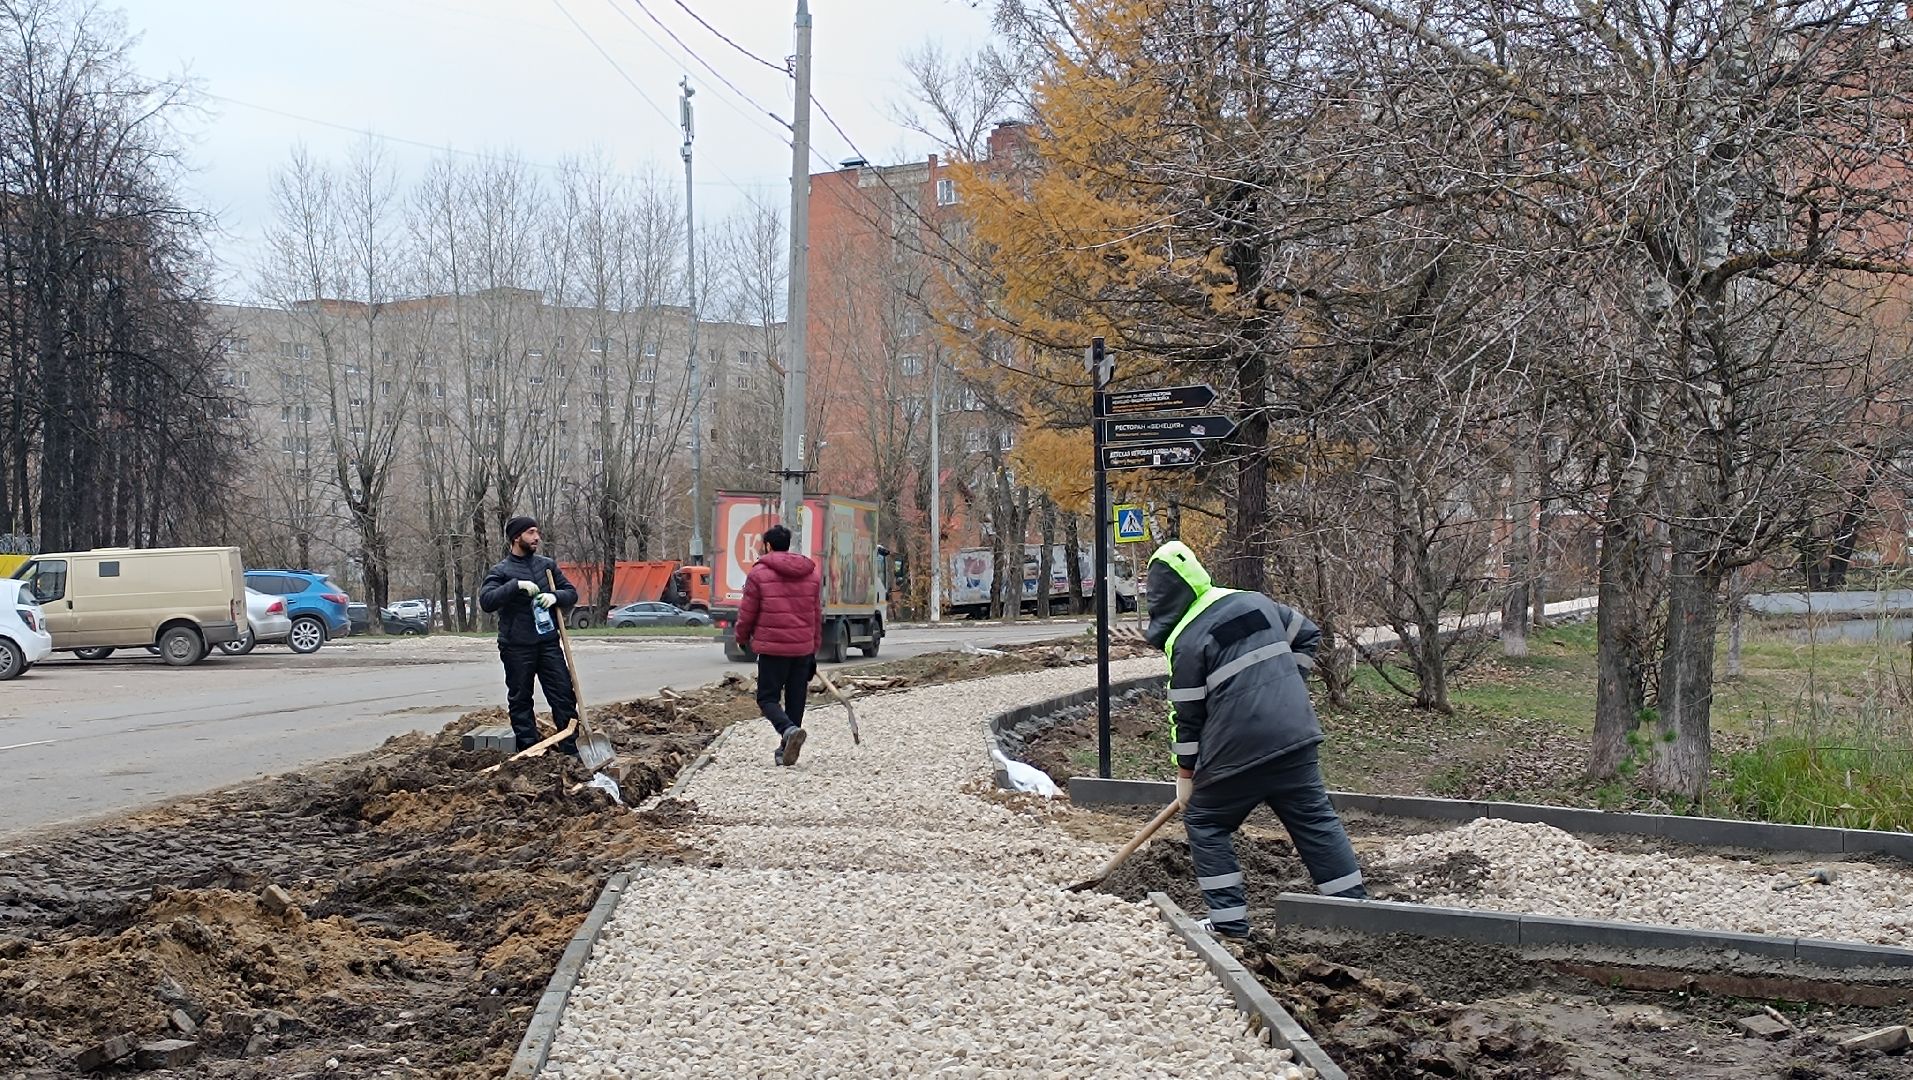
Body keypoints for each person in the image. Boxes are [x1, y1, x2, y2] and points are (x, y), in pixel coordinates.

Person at [1141, 540, 1366, 939]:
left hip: (1236, 752)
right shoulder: (1255, 602)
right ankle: (1354, 912)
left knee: (1206, 822)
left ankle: (1229, 924)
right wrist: (1286, 684)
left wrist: (1186, 774)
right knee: (1314, 820)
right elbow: (1308, 634)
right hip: (1294, 737)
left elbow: (1187, 717)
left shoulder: (1187, 641)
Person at [479, 515, 580, 757]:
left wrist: (556, 597)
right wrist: (515, 586)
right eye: (531, 533)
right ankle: (530, 750)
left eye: (537, 532)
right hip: (516, 646)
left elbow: (571, 593)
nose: (537, 537)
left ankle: (571, 748)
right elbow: (487, 601)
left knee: (563, 694)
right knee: (521, 698)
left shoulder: (546, 566)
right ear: (516, 537)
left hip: (547, 643)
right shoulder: (501, 571)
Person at [733, 523, 823, 767]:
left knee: (767, 698)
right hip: (802, 649)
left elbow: (748, 612)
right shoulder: (811, 574)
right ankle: (787, 748)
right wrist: (814, 649)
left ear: (768, 546)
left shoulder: (759, 574)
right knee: (796, 700)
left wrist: (741, 637)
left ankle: (787, 731)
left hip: (773, 649)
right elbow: (816, 614)